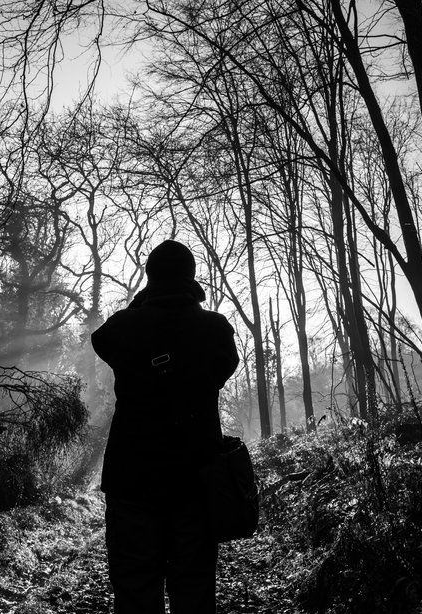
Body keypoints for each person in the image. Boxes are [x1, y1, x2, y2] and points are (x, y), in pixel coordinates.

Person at [91, 240, 239, 614]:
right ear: (191, 279)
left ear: (149, 279)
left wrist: (146, 302)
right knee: (194, 589)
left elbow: (102, 339)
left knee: (135, 589)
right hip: (197, 481)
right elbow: (224, 366)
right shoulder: (215, 329)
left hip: (132, 481)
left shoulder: (124, 326)